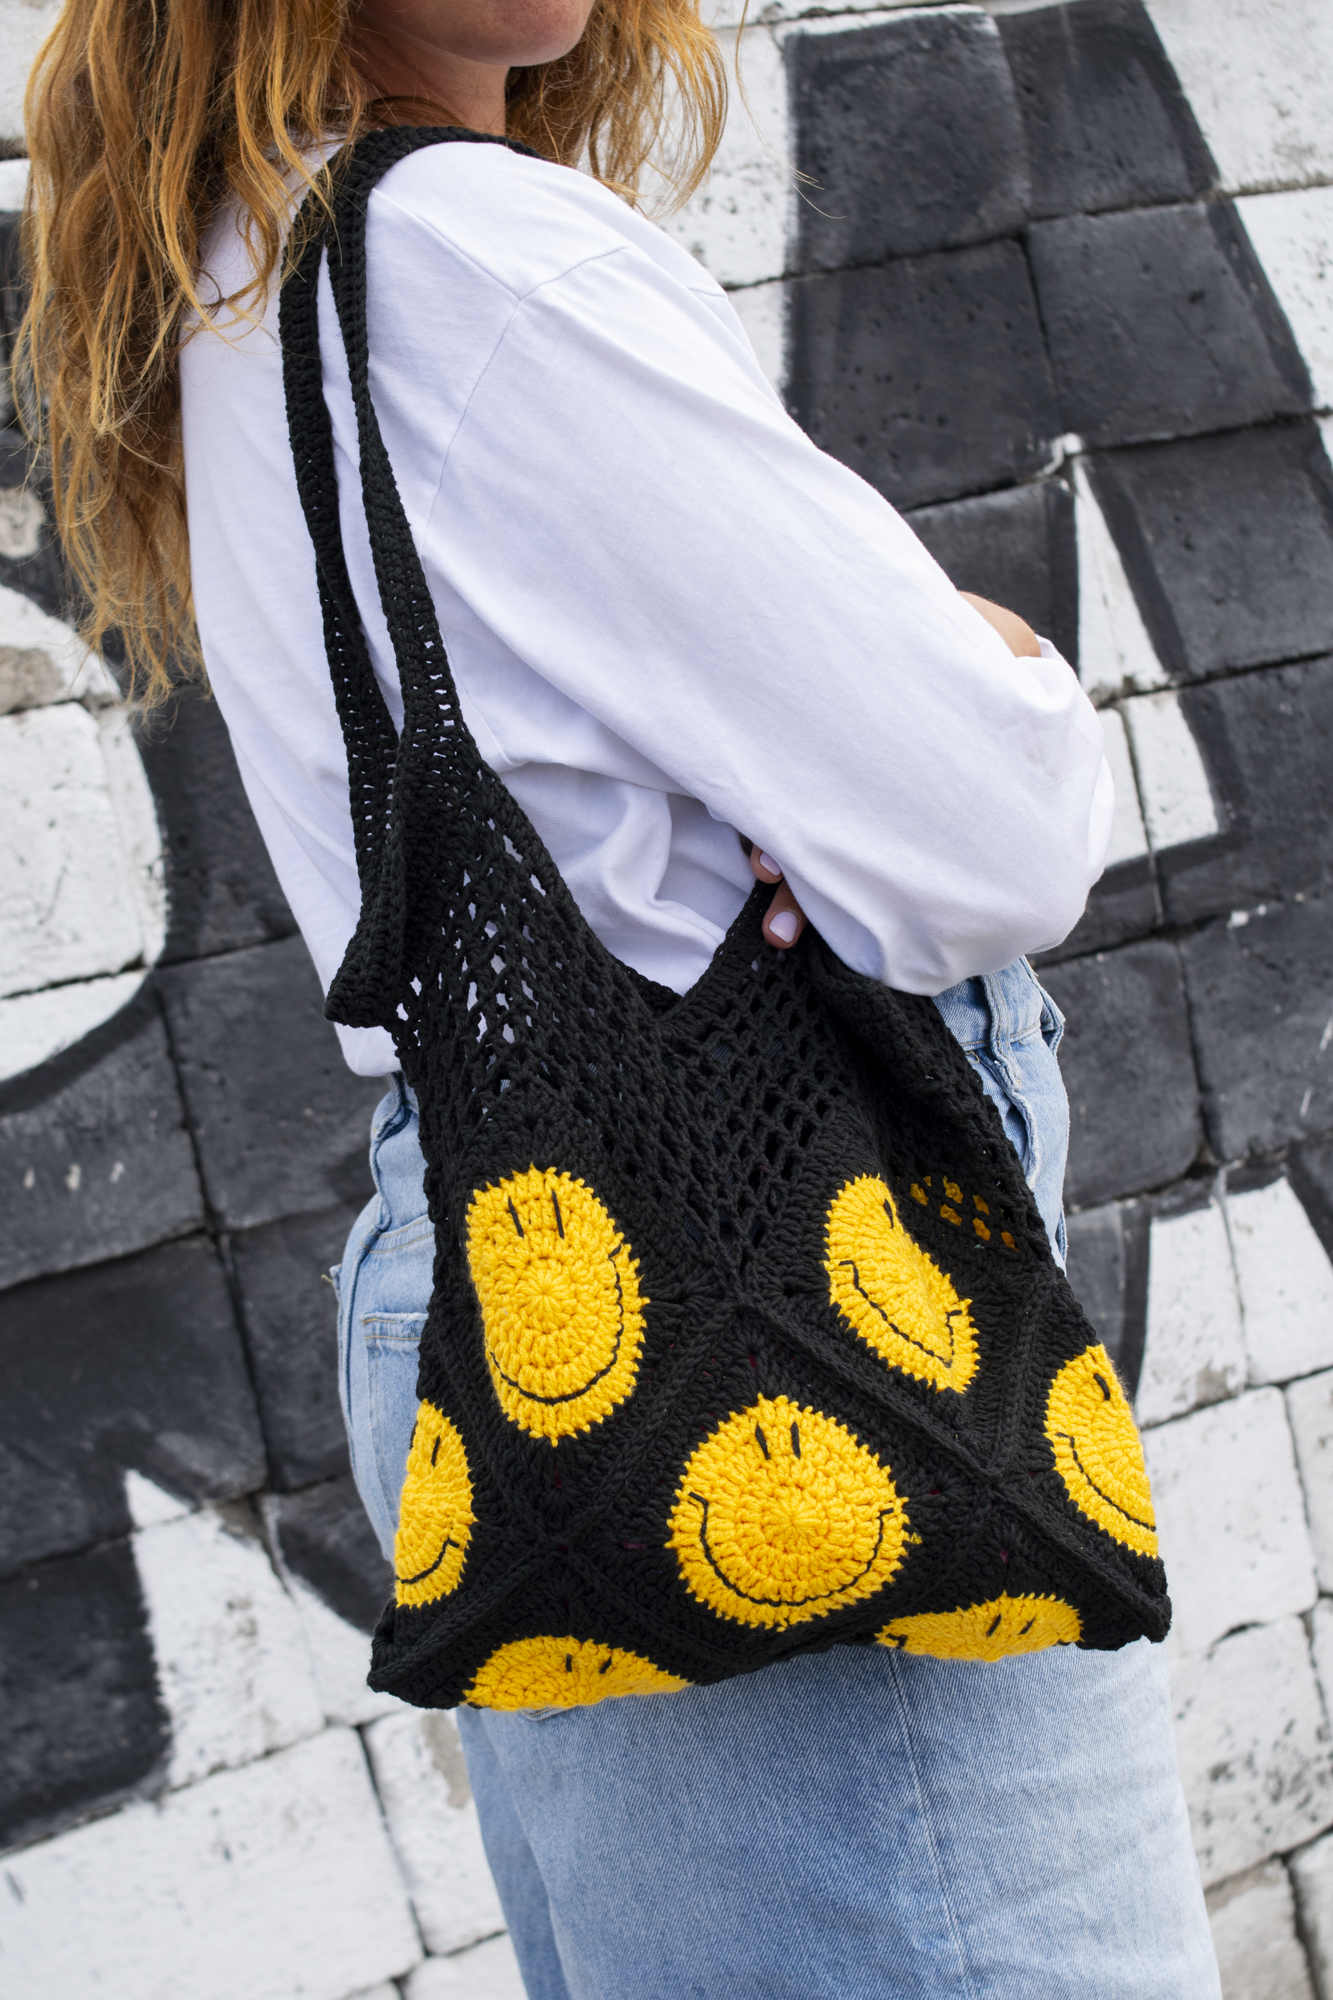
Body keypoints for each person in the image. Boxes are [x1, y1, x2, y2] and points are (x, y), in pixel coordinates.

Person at [22, 0, 1220, 1990]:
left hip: (528, 1296)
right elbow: (983, 838)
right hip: (769, 1326)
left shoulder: (258, 276)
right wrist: (992, 653)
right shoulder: (487, 258)